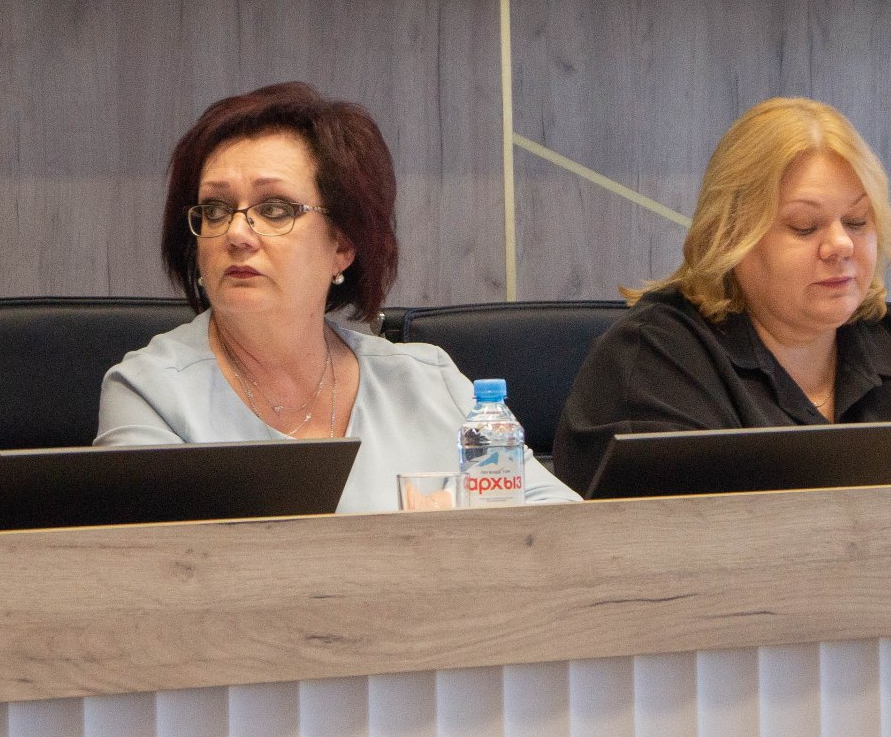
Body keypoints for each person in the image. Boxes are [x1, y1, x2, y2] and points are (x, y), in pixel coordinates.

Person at [97, 82, 577, 511]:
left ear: (343, 245)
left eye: (274, 209)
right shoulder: (151, 393)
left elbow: (560, 525)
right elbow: (151, 565)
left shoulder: (430, 384)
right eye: (216, 209)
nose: (237, 234)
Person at [555, 97, 891, 494]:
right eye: (804, 226)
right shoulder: (654, 362)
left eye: (857, 222)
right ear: (732, 237)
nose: (840, 245)